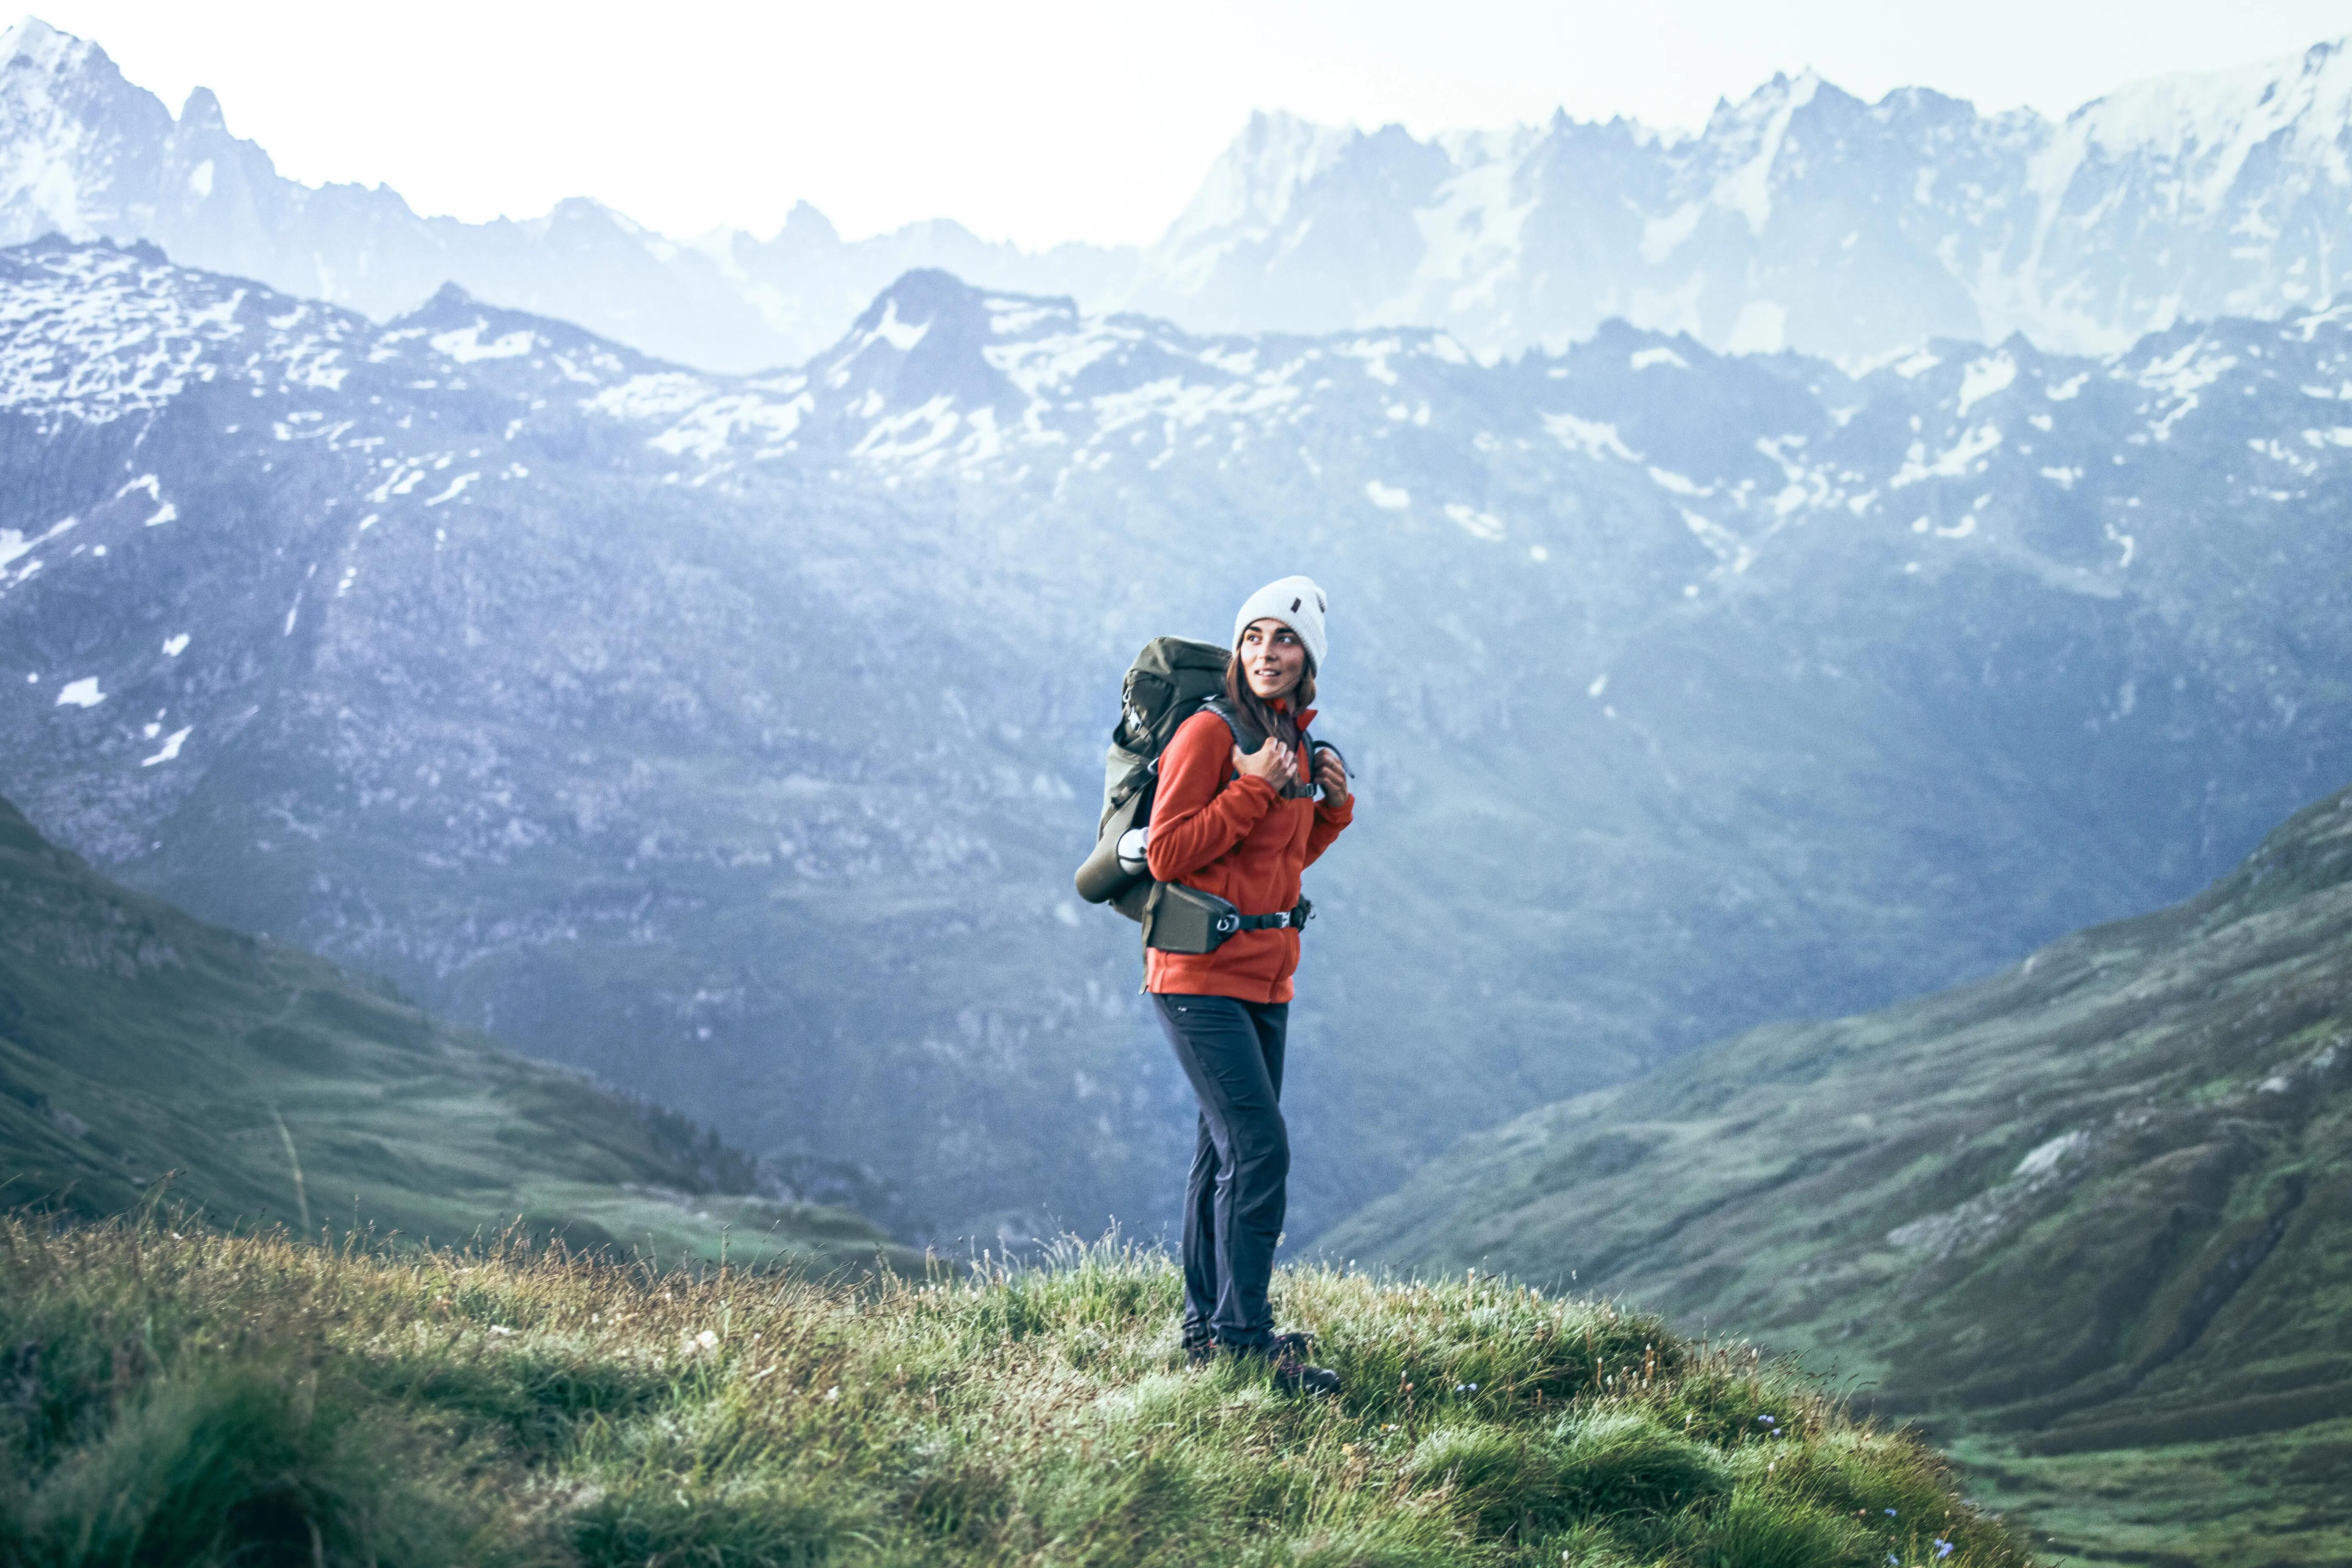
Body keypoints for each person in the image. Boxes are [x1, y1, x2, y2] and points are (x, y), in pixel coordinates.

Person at [1144, 575, 1353, 1393]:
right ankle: (1244, 1342)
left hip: (1265, 980)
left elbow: (1279, 866)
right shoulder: (1211, 732)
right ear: (1238, 648)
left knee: (1221, 1153)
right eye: (1255, 637)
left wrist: (1327, 808)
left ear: (1310, 658)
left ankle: (1211, 1326)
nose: (1268, 654)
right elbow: (1169, 854)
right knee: (1259, 1150)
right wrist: (1253, 785)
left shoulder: (1296, 743)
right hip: (1196, 975)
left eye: (1286, 640)